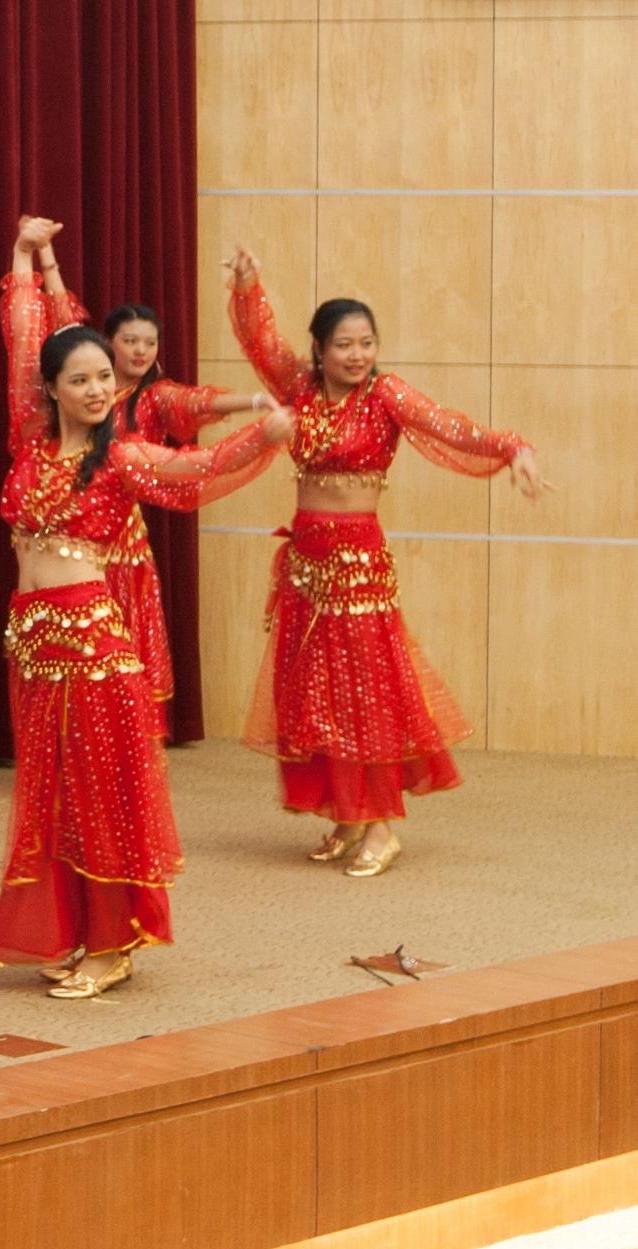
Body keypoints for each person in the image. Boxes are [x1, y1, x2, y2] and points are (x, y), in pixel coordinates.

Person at [0, 217, 292, 997]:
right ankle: (75, 930)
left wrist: (264, 434)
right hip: (34, 647)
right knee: (52, 792)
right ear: (51, 389)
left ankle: (112, 944)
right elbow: (24, 339)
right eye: (81, 379)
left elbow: (197, 466)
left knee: (96, 792)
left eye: (104, 377)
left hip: (93, 649)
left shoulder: (121, 455)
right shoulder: (31, 439)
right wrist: (23, 259)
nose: (98, 389)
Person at [225, 244, 547, 877]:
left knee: (364, 691)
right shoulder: (299, 387)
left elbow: (452, 428)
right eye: (344, 344)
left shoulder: (386, 394)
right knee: (316, 690)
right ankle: (348, 815)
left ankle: (380, 825)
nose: (357, 355)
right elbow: (260, 341)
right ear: (319, 350)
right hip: (307, 565)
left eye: (366, 343)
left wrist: (515, 448)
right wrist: (247, 286)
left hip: (358, 565)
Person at [23, 221, 276, 705]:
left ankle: (128, 729)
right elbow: (63, 323)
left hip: (121, 544)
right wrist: (43, 254)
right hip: (68, 532)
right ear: (107, 343)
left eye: (150, 342)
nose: (141, 351)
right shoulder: (77, 394)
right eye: (130, 341)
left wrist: (256, 402)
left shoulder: (155, 398)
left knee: (120, 656)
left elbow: (199, 402)